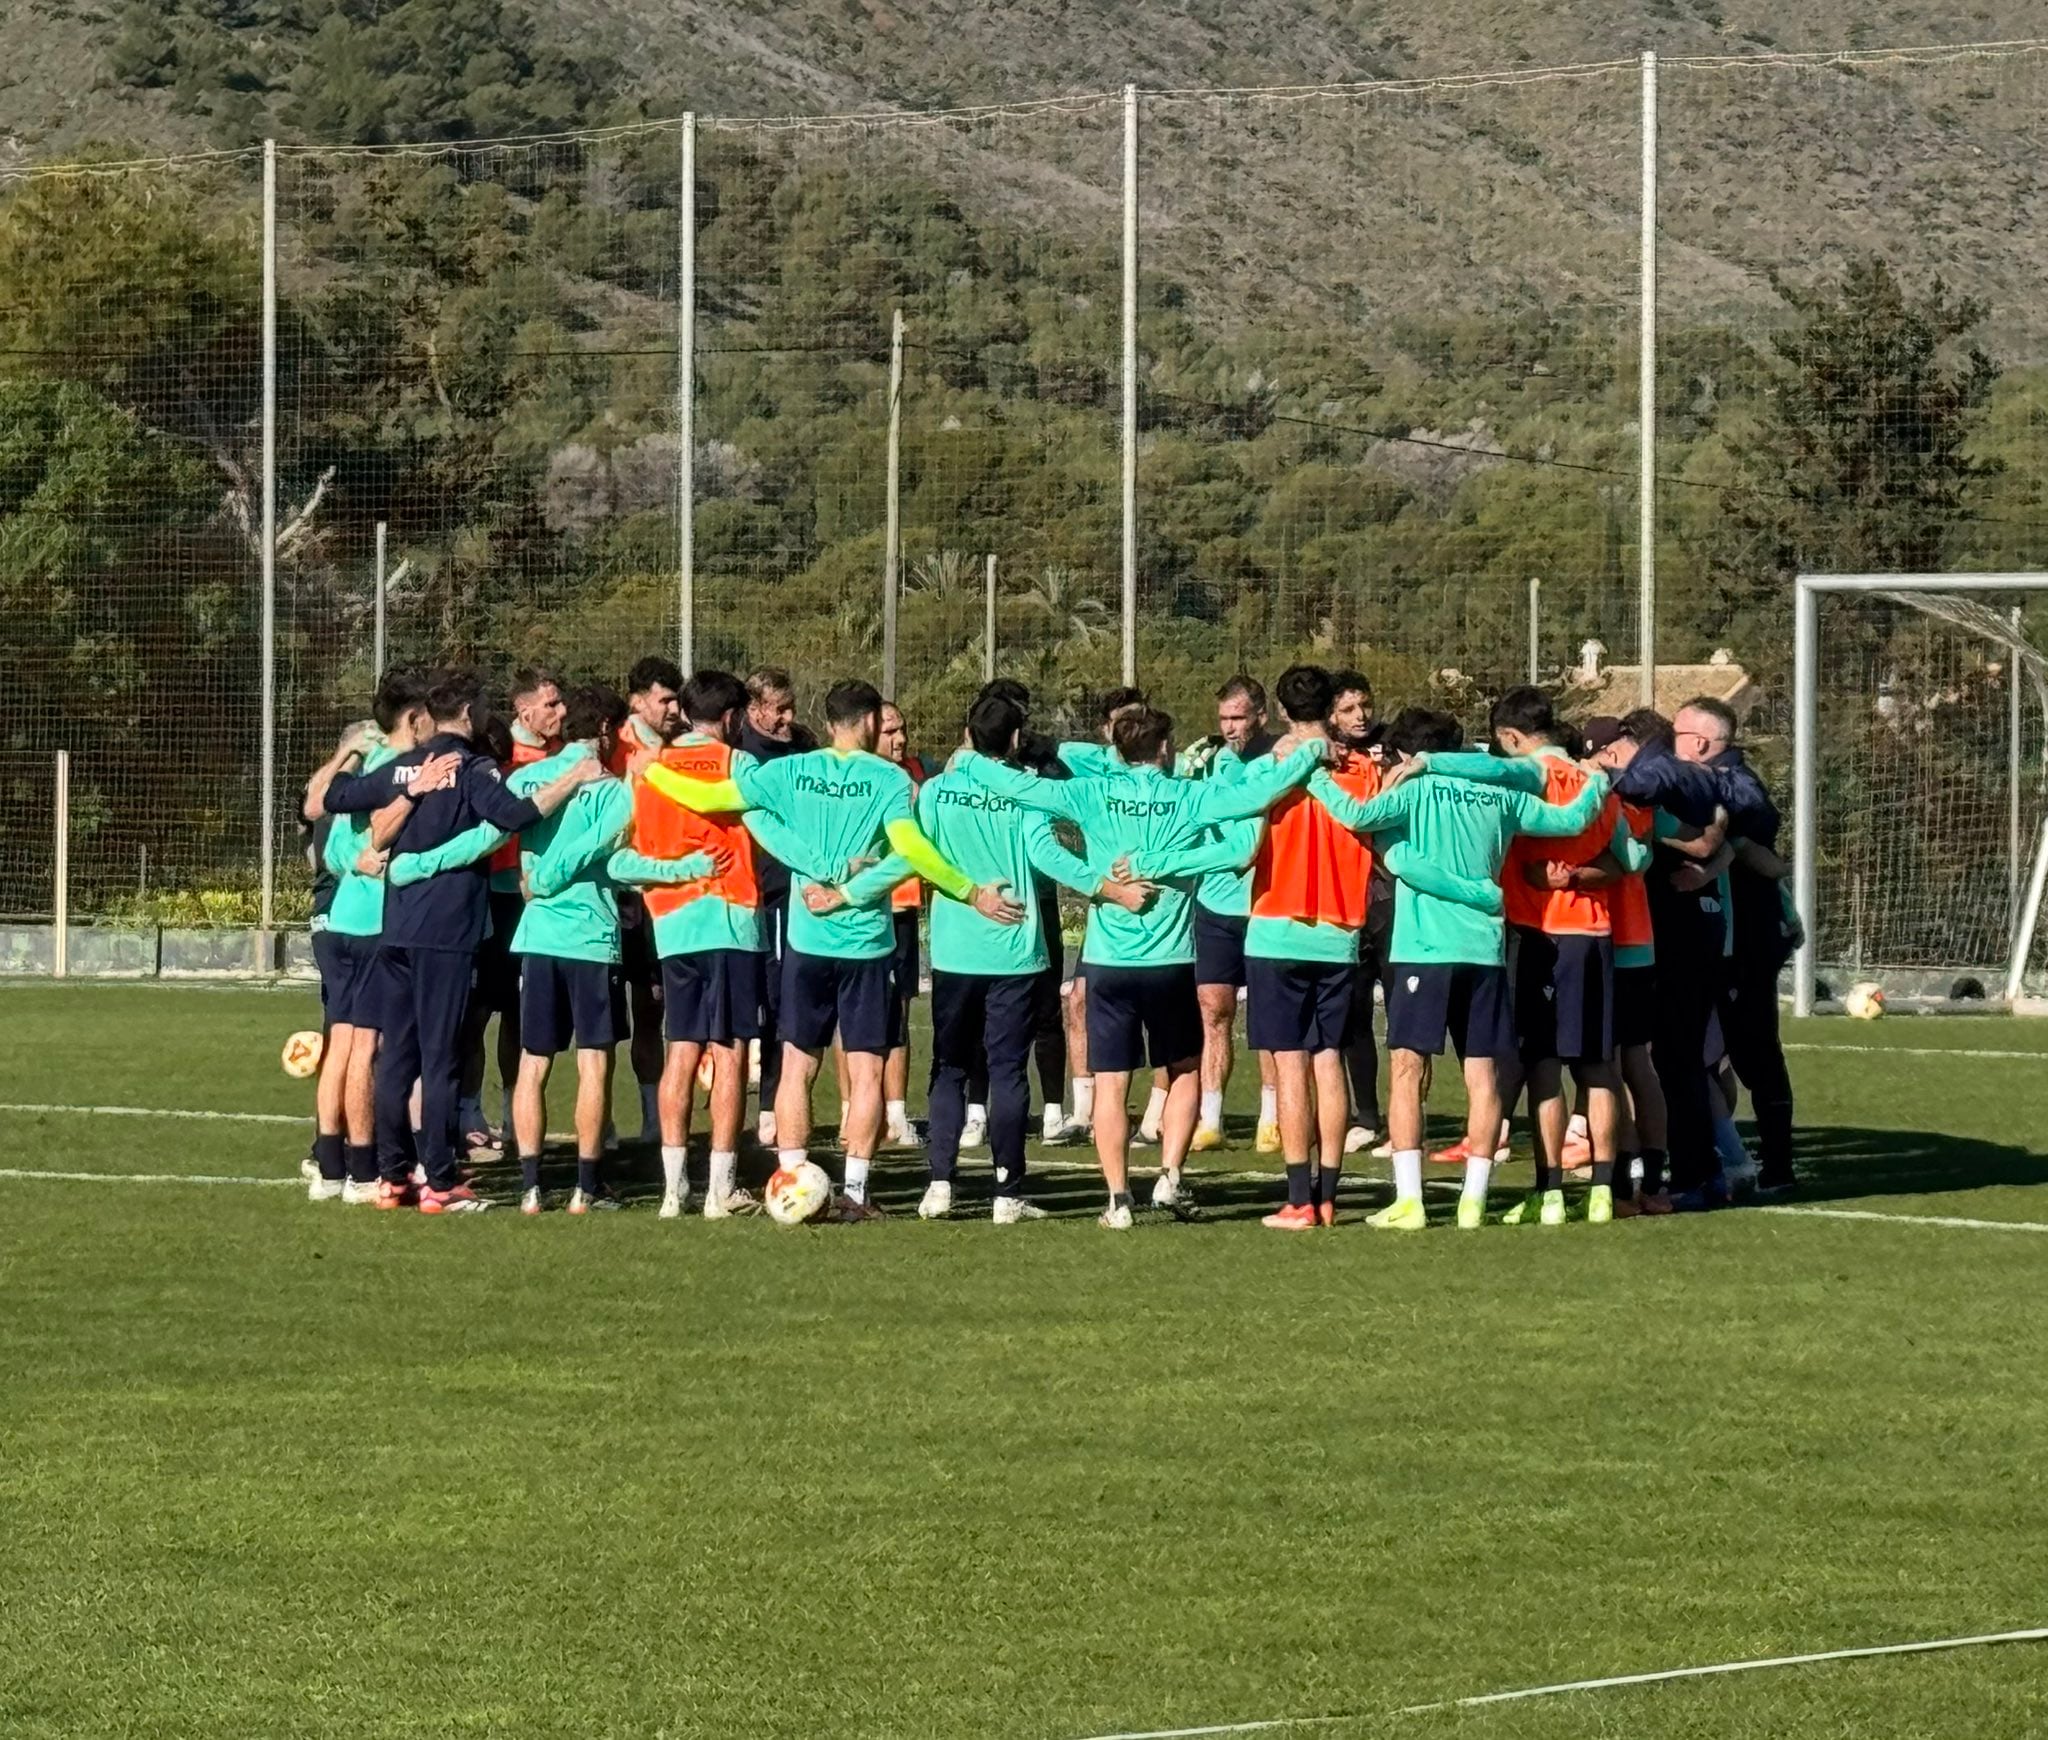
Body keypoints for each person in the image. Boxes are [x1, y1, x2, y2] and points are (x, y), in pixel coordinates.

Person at [642, 679, 1018, 1221]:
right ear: (869, 722)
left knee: (797, 1063)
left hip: (806, 940)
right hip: (865, 944)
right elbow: (910, 851)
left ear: (828, 720)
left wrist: (652, 770)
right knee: (865, 1070)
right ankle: (856, 1194)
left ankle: (791, 1179)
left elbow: (716, 801)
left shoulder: (792, 770)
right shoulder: (889, 779)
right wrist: (964, 890)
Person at [957, 705, 1327, 1228]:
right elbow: (1252, 803)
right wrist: (1310, 752)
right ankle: (1170, 1175)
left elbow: (1022, 789)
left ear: (1118, 750)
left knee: (1111, 1083)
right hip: (1171, 961)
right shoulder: (1188, 796)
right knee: (1185, 1070)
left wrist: (970, 761)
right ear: (1165, 748)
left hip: (1108, 962)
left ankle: (1118, 1199)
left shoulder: (1090, 793)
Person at [825, 692, 1147, 1221]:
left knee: (949, 1066)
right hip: (1015, 955)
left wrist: (850, 889)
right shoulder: (1023, 794)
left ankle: (939, 1184)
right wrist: (1106, 887)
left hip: (954, 955)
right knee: (1008, 1072)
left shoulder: (936, 791)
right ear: (1016, 739)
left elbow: (910, 856)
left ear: (968, 735)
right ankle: (1005, 1193)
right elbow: (1048, 856)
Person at [1306, 711, 1612, 1231]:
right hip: (1484, 949)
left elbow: (1355, 815)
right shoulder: (1501, 796)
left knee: (1407, 1069)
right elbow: (1570, 821)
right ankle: (1474, 1200)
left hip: (1424, 948)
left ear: (1410, 756)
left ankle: (1410, 1200)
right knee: (1482, 1074)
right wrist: (1598, 785)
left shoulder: (1413, 790)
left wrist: (1314, 778)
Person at [328, 670, 601, 1214]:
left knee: (397, 1055)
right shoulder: (474, 769)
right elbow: (516, 815)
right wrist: (573, 777)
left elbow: (337, 796)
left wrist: (372, 767)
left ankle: (391, 1177)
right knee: (441, 1057)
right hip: (447, 932)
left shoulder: (406, 765)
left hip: (396, 926)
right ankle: (440, 1181)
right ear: (470, 714)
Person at [609, 670, 777, 1219]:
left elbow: (619, 861)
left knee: (680, 1050)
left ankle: (673, 1189)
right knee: (729, 1052)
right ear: (731, 717)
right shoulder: (737, 763)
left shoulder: (647, 770)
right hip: (730, 919)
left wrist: (673, 872)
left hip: (673, 927)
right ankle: (720, 1188)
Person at [1481, 687, 1640, 1227]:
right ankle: (1601, 1191)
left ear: (1510, 737)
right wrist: (1579, 873)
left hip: (1542, 934)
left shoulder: (1524, 780)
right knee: (1597, 1065)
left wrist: (1555, 876)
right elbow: (1626, 862)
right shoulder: (1598, 784)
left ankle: (1549, 1192)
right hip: (1595, 934)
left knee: (1544, 1066)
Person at [497, 686, 641, 1214]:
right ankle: (586, 1187)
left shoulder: (529, 779)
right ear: (603, 729)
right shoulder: (614, 791)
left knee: (532, 1062)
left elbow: (513, 824)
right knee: (594, 1064)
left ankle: (531, 1187)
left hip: (538, 937)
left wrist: (536, 878)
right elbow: (605, 851)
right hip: (591, 937)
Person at [1247, 667, 1372, 1228]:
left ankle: (1299, 1197)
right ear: (1332, 707)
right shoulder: (1361, 770)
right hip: (1340, 930)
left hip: (1277, 925)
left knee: (1290, 1065)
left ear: (1280, 711)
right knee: (1329, 1061)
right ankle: (1328, 1196)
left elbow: (1243, 835)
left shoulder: (1273, 767)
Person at [1595, 707, 1732, 1210]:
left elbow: (1702, 842)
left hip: (1653, 940)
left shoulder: (1640, 794)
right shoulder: (1688, 786)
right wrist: (1717, 840)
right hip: (1671, 938)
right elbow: (1717, 844)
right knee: (1673, 1059)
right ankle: (1697, 1172)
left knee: (1661, 1061)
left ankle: (1680, 1177)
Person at [1675, 696, 1797, 1197]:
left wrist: (1723, 855)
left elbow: (1754, 843)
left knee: (1753, 1053)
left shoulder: (1735, 784)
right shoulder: (1717, 780)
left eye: (1677, 736)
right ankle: (1727, 1157)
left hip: (1742, 944)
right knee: (1709, 1056)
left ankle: (1775, 1167)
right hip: (1727, 940)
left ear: (1702, 743)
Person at [1180, 675, 1281, 1155]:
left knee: (1269, 1019)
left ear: (1261, 716)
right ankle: (1211, 1118)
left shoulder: (1280, 759)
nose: (1229, 727)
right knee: (1213, 1010)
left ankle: (1272, 1117)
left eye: (1238, 717)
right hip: (1215, 905)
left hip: (1265, 905)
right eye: (1224, 718)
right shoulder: (1209, 761)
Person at [1578, 717, 1672, 1217]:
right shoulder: (1644, 800)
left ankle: (1619, 1185)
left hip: (1608, 941)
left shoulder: (1608, 800)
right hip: (1640, 944)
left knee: (1609, 1067)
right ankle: (1650, 1182)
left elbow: (1632, 859)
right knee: (1636, 1062)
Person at [471, 668, 563, 1151]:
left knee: (520, 1011)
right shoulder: (497, 755)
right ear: (524, 711)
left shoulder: (563, 756)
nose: (560, 712)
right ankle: (468, 1111)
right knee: (477, 1009)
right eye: (550, 704)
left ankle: (512, 1114)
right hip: (495, 894)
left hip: (538, 900)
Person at [738, 666, 819, 1146]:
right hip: (736, 893)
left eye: (792, 707)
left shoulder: (804, 746)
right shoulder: (736, 749)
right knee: (739, 1004)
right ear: (754, 709)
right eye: (780, 709)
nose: (788, 718)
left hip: (783, 891)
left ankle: (771, 1105)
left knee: (780, 1001)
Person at [614, 656, 685, 1144]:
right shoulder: (617, 746)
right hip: (625, 893)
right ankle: (608, 1121)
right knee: (605, 1017)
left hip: (667, 891)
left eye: (677, 699)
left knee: (654, 1006)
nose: (673, 709)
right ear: (638, 701)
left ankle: (654, 1119)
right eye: (665, 699)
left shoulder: (682, 745)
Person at [1329, 670, 1387, 1153]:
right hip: (1345, 902)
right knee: (1353, 1015)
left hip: (1390, 900)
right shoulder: (1320, 757)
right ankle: (1365, 1115)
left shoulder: (1393, 752)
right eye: (1348, 709)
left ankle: (1409, 1123)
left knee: (1409, 1022)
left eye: (1364, 705)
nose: (1360, 715)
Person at [875, 701, 926, 1150]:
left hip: (904, 909)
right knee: (857, 1018)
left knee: (901, 1011)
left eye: (902, 729)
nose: (901, 738)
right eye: (890, 731)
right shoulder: (862, 778)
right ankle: (856, 1110)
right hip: (865, 910)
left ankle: (895, 1112)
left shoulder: (914, 773)